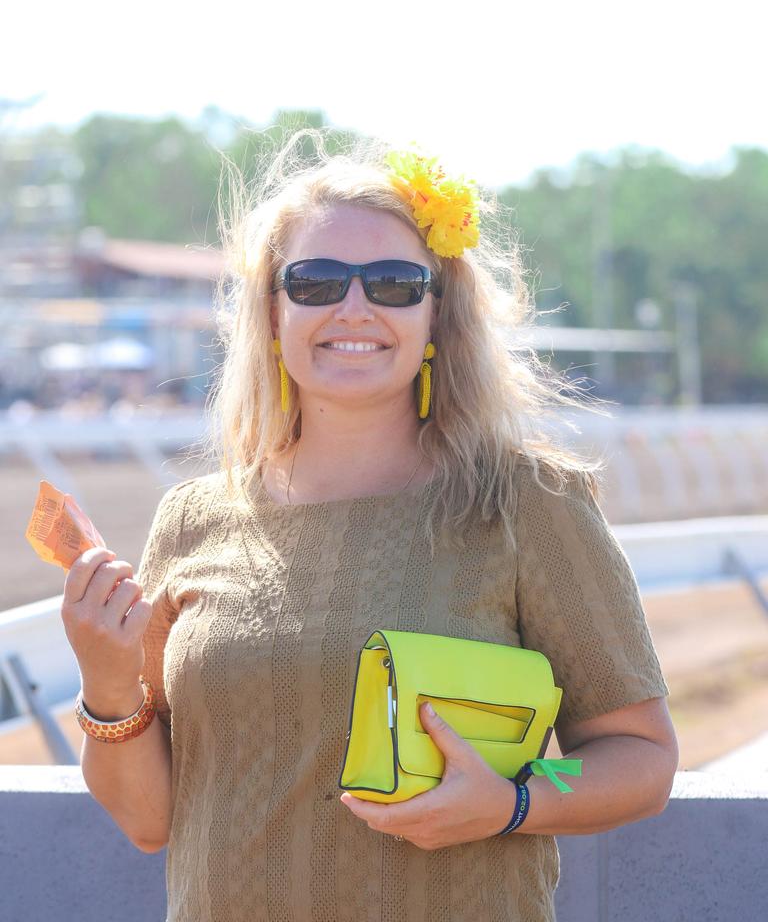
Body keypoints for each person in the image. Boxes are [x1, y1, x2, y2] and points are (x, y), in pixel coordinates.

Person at [61, 131, 678, 922]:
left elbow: (642, 758)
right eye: (316, 282)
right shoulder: (189, 522)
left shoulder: (528, 502)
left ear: (435, 316)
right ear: (272, 315)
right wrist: (110, 689)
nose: (354, 308)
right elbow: (150, 822)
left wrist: (517, 799)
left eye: (392, 283)